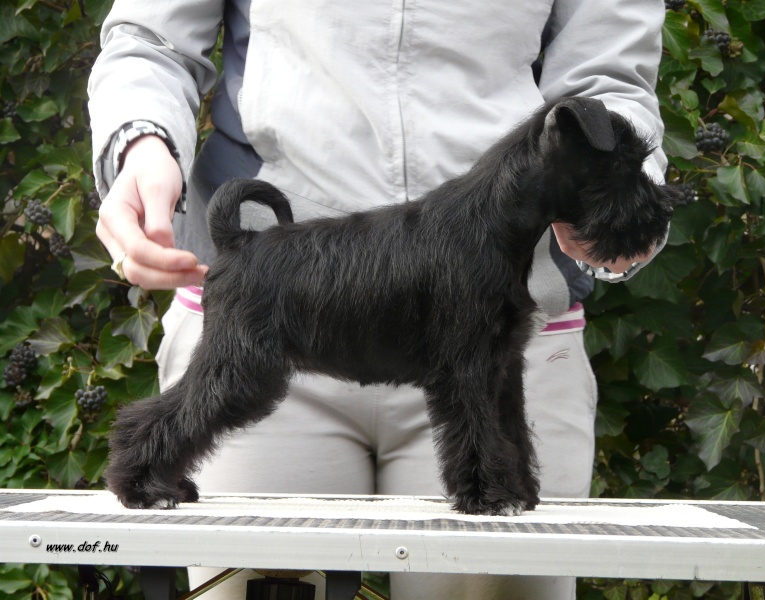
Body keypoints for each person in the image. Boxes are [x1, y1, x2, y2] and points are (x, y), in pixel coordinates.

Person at [88, 1, 668, 598]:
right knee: (229, 387)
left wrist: (614, 203)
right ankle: (142, 458)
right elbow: (151, 39)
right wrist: (141, 143)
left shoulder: (499, 220)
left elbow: (609, 80)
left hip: (532, 299)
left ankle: (495, 482)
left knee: (488, 376)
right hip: (282, 278)